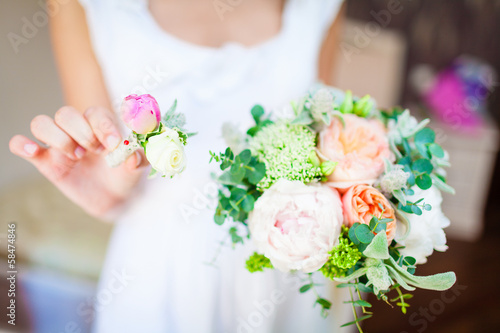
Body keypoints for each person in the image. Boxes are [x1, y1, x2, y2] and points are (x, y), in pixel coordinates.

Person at [9, 0, 348, 332]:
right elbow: (107, 161)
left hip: (289, 260)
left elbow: (317, 142)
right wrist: (107, 185)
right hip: (160, 267)